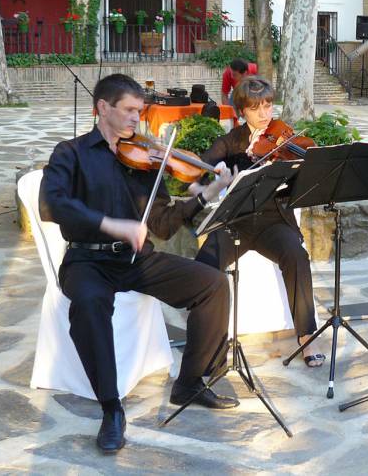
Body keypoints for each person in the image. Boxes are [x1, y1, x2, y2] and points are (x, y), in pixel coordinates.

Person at [40, 74, 238, 455]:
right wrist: (109, 223)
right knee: (90, 304)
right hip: (88, 258)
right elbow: (52, 204)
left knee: (212, 283)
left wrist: (206, 195)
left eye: (139, 111)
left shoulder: (144, 159)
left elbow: (161, 225)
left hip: (135, 260)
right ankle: (111, 408)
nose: (137, 118)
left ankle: (190, 381)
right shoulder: (72, 153)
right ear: (103, 107)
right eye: (130, 110)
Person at [195, 75, 325, 367]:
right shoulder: (231, 141)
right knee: (206, 262)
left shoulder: (284, 136)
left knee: (296, 256)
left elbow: (304, 184)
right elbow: (203, 169)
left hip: (274, 221)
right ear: (243, 111)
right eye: (257, 108)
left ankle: (306, 336)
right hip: (236, 220)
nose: (266, 114)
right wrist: (224, 168)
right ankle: (207, 338)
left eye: (268, 105)